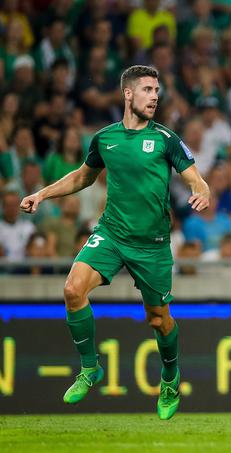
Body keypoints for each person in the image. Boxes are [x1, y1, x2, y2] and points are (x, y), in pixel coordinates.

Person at [19, 65, 210, 421]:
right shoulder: (105, 138)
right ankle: (90, 369)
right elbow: (82, 177)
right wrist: (42, 194)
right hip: (112, 233)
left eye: (157, 90)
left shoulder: (166, 139)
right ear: (128, 94)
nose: (155, 96)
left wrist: (202, 193)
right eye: (148, 89)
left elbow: (197, 180)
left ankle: (169, 378)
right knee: (73, 290)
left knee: (158, 320)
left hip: (151, 244)